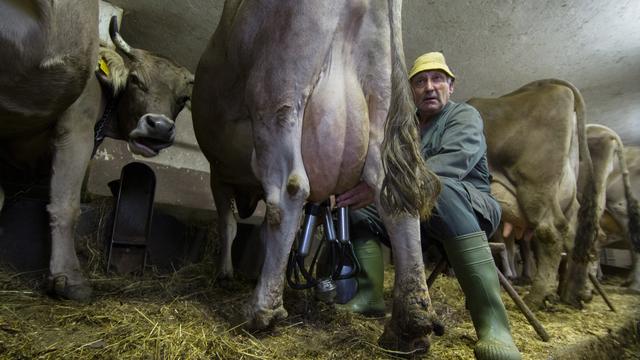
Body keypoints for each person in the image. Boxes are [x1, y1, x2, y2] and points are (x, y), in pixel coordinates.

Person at [335, 52, 521, 360]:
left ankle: (493, 327)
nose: (429, 87)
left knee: (438, 190)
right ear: (411, 92)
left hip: (469, 206)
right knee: (356, 209)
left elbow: (450, 165)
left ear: (451, 86)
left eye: (437, 79)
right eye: (420, 82)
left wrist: (381, 189)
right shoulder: (404, 128)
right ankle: (369, 295)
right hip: (413, 213)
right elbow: (383, 172)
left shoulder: (464, 115)